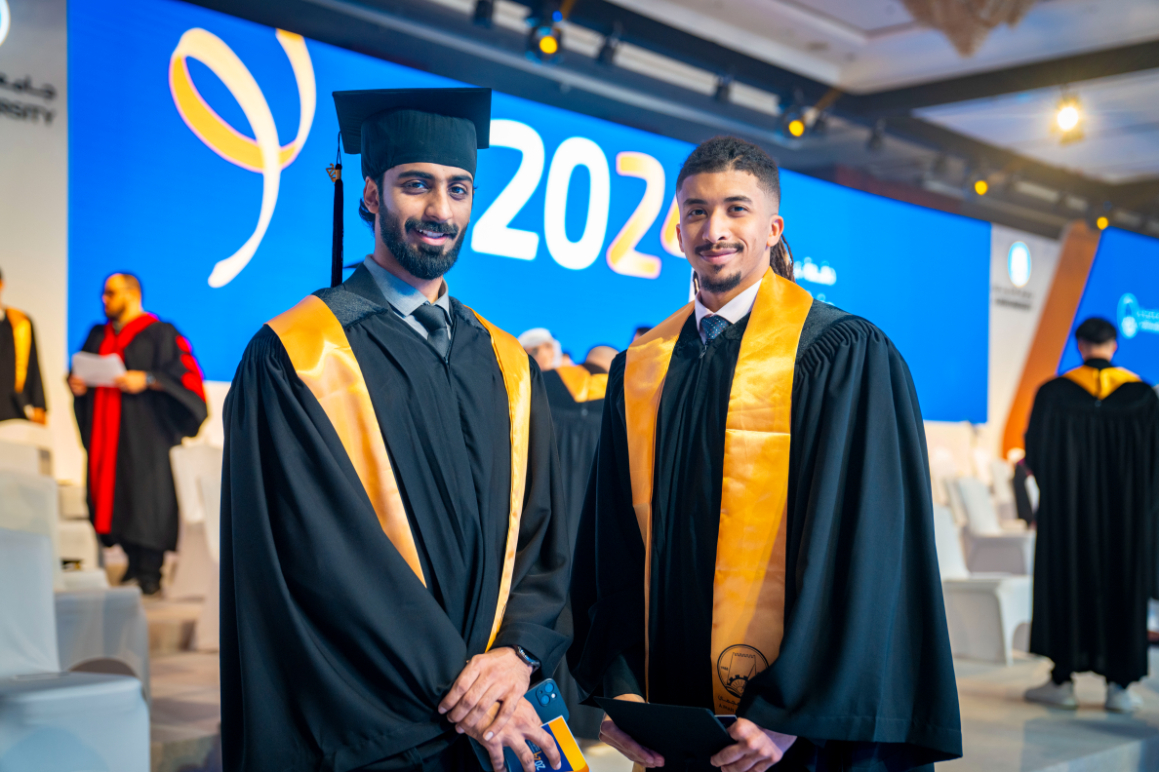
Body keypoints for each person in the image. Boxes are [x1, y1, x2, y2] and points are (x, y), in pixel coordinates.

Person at [569, 136, 961, 771]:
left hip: (796, 735)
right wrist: (622, 689)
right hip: (675, 718)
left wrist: (790, 712)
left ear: (773, 229)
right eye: (696, 211)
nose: (714, 229)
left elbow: (865, 549)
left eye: (736, 209)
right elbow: (612, 541)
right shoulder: (641, 368)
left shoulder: (840, 354)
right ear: (677, 229)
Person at [220, 88, 570, 772]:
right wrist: (468, 696)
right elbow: (323, 558)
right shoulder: (299, 356)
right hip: (376, 725)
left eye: (458, 188)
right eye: (416, 185)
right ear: (370, 194)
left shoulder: (506, 363)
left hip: (500, 707)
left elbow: (543, 534)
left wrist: (517, 654)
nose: (440, 210)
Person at [1023, 317, 1159, 713]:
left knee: (1067, 582)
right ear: (1114, 346)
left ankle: (1062, 681)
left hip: (1067, 516)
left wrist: (1062, 495)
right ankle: (1120, 687)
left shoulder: (1053, 393)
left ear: (1079, 346)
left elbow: (1035, 456)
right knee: (1122, 584)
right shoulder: (1142, 397)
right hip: (1126, 519)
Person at [69, 273, 207, 595]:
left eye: (111, 293)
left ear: (132, 294)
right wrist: (76, 384)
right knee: (114, 496)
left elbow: (185, 379)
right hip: (107, 436)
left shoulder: (161, 333)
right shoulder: (97, 334)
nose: (104, 299)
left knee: (146, 499)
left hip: (147, 436)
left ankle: (149, 572)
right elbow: (78, 371)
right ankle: (132, 563)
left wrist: (147, 379)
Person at [539, 343, 618, 740]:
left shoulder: (544, 386)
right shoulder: (624, 395)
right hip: (600, 528)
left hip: (548, 523)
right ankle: (594, 715)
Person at [0, 268, 47, 424]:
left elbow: (33, 365)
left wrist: (39, 405)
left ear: (1, 284)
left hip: (14, 407)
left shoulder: (20, 322)